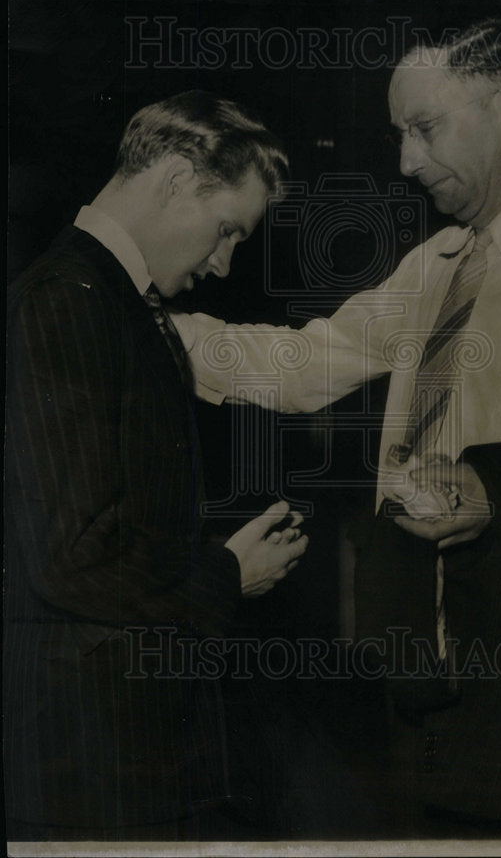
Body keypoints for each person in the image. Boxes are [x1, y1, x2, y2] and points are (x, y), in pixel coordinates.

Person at [172, 21, 501, 838]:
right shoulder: (432, 268)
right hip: (431, 679)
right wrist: (154, 331)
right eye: (397, 134)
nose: (406, 162)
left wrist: (497, 487)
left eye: (424, 129)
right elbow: (302, 365)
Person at [4, 92, 312, 842]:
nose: (223, 262)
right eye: (226, 231)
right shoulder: (65, 304)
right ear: (177, 181)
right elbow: (70, 557)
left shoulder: (108, 301)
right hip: (88, 761)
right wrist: (225, 576)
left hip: (123, 747)